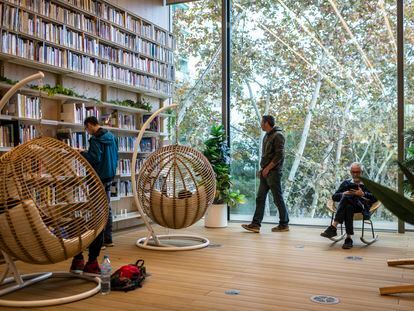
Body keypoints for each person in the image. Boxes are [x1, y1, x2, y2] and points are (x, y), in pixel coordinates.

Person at [70, 116, 118, 274]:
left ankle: (98, 237)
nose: (87, 131)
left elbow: (94, 157)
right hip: (110, 175)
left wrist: (81, 154)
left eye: (86, 128)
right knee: (106, 206)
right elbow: (115, 156)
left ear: (90, 125)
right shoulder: (111, 137)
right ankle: (107, 237)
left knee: (96, 210)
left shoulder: (95, 140)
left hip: (98, 177)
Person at [241, 115, 289, 233]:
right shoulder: (267, 136)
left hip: (273, 173)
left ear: (266, 123)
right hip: (265, 172)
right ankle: (255, 224)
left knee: (277, 199)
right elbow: (266, 156)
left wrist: (267, 168)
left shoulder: (278, 135)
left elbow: (279, 155)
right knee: (260, 198)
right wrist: (262, 169)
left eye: (261, 122)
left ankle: (284, 224)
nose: (260, 124)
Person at [320, 162, 377, 249]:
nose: (355, 174)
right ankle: (348, 238)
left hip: (360, 207)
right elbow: (334, 197)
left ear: (362, 172)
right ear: (350, 172)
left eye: (357, 172)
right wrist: (343, 193)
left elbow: (375, 198)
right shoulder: (346, 183)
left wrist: (363, 194)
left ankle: (334, 226)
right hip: (347, 207)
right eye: (353, 172)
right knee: (348, 206)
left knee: (347, 198)